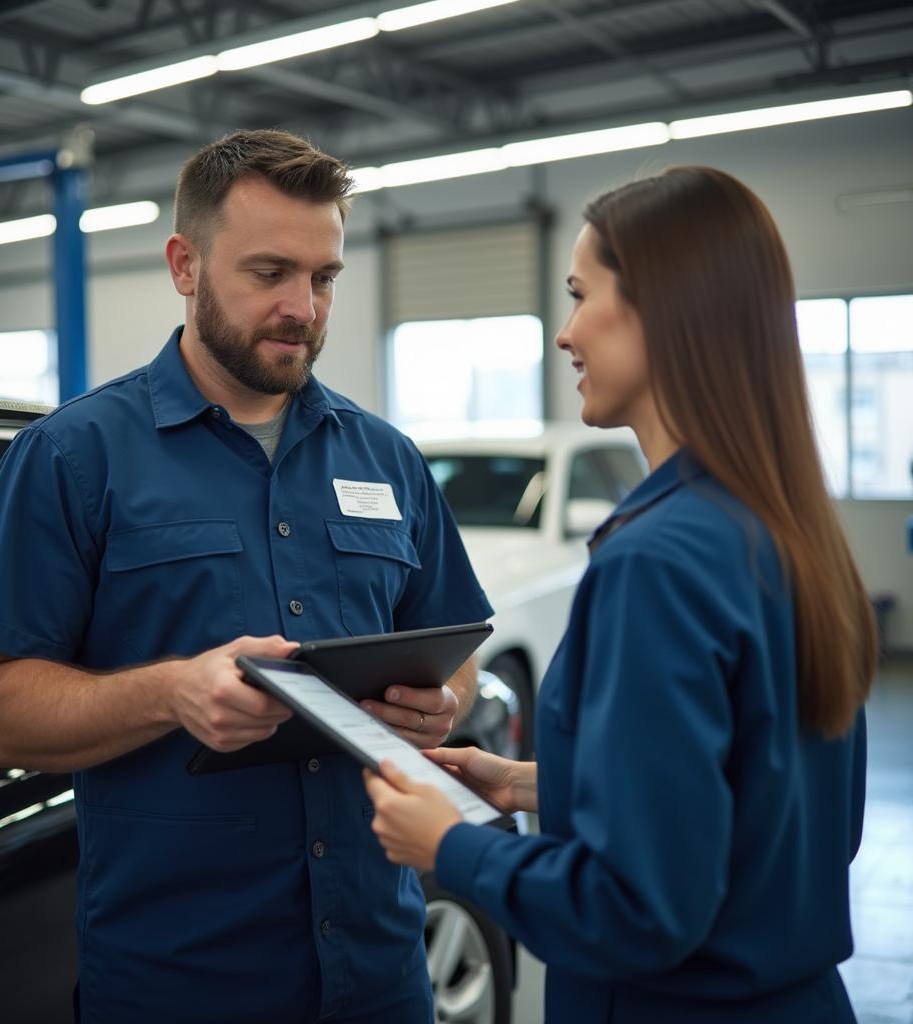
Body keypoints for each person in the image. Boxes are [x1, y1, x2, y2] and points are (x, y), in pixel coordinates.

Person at [0, 129, 492, 1024]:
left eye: (324, 278)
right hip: (181, 985)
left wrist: (443, 701)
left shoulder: (387, 460)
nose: (303, 308)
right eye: (269, 273)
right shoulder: (74, 458)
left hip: (379, 978)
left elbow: (453, 647)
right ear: (184, 265)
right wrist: (172, 693)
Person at [364, 165, 875, 1023]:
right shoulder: (788, 532)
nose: (564, 335)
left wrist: (449, 848)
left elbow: (637, 910)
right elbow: (770, 813)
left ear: (663, 310)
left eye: (578, 295)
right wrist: (532, 785)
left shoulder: (657, 562)